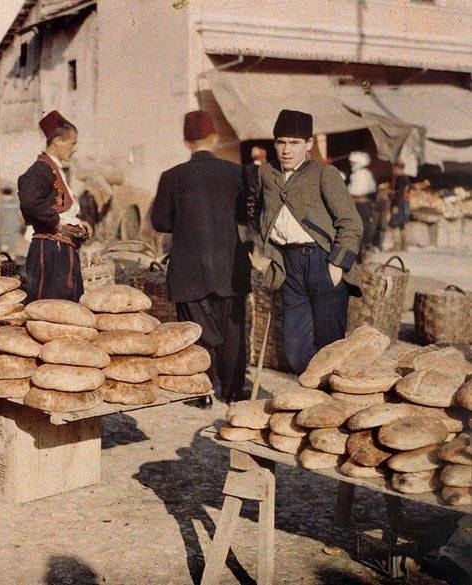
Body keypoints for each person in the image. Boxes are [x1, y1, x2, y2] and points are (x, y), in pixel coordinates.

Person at [151, 111, 251, 404]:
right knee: (232, 332)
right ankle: (232, 392)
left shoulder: (171, 177)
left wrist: (185, 222)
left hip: (188, 267)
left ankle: (201, 390)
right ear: (215, 138)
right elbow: (246, 216)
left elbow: (160, 222)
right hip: (229, 265)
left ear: (186, 142)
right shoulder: (236, 173)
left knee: (194, 331)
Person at [257, 109, 363, 375]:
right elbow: (255, 213)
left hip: (322, 262)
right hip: (289, 265)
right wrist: (263, 252)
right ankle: (309, 402)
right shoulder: (265, 174)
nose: (287, 150)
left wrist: (336, 266)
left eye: (294, 143)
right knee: (294, 350)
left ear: (309, 144)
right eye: (281, 142)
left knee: (330, 349)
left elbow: (351, 223)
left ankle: (329, 409)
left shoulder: (324, 174)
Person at [18, 111, 89, 302]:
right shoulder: (40, 170)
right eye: (72, 143)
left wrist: (78, 223)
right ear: (57, 141)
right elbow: (30, 202)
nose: (75, 149)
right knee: (49, 306)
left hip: (60, 249)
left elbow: (59, 205)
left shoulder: (54, 169)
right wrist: (56, 223)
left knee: (68, 306)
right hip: (50, 251)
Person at [347, 151, 378, 262]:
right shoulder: (364, 173)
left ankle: (359, 255)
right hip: (362, 204)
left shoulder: (360, 174)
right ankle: (359, 254)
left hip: (360, 205)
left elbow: (356, 191)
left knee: (359, 229)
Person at [388, 160, 411, 251]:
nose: (393, 170)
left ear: (398, 168)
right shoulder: (406, 178)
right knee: (402, 224)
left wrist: (395, 205)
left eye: (394, 168)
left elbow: (399, 193)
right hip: (404, 203)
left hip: (399, 203)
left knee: (394, 225)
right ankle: (404, 246)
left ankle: (396, 246)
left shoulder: (400, 179)